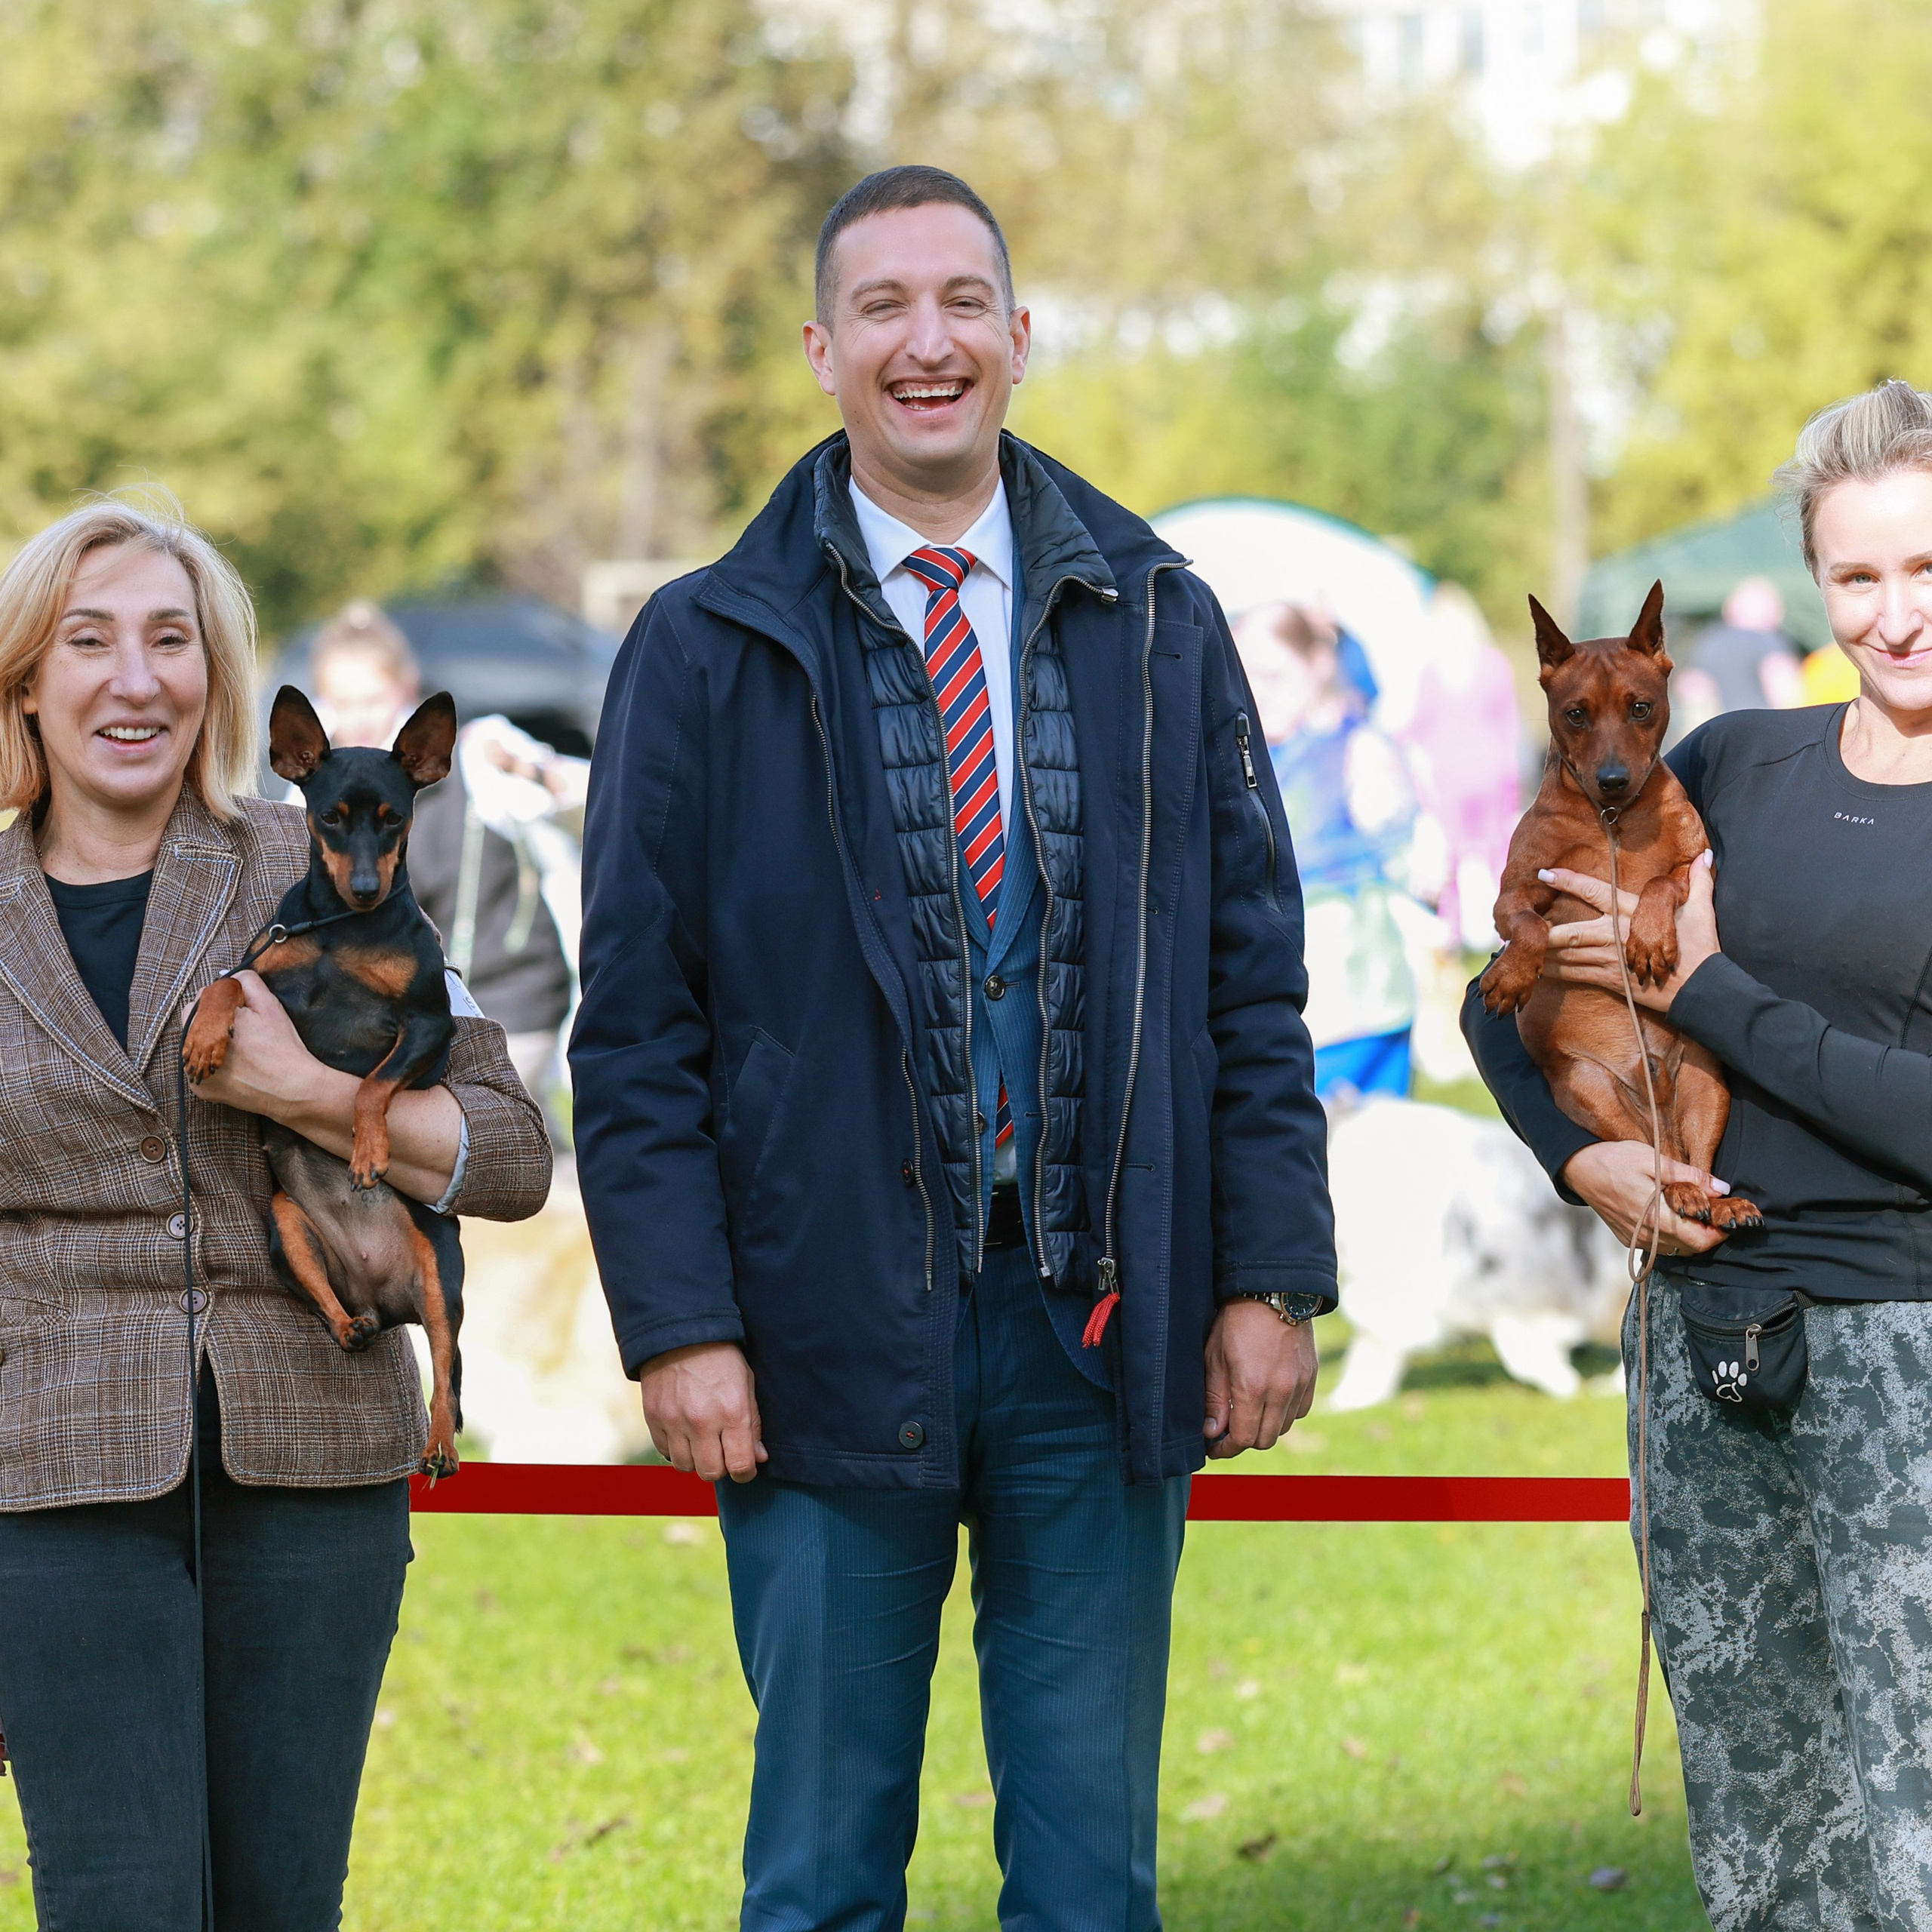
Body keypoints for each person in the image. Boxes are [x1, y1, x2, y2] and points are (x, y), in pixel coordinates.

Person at [570, 165, 1336, 1930]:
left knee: (1088, 1883)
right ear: (825, 350)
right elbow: (635, 1030)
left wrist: (1268, 1277)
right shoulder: (702, 644)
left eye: (961, 302)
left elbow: (1248, 982)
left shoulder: (1156, 614)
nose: (930, 342)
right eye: (886, 308)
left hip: (1098, 1334)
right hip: (820, 1334)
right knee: (824, 1872)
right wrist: (681, 1322)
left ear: (1015, 332)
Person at [0, 497, 550, 1927]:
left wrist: (311, 1091)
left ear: (216, 675)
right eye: (91, 641)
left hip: (312, 1466)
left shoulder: (313, 863)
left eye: (171, 640)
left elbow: (510, 1154)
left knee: (280, 1902)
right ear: (27, 680)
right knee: (118, 1901)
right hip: (49, 1472)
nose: (136, 679)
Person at [1463, 377, 1932, 1930]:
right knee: (1757, 1832)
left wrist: (1712, 990)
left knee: (1913, 1826)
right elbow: (1498, 994)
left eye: (1924, 569)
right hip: (1710, 1350)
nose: (1891, 614)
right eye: (1856, 575)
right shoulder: (1724, 763)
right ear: (1812, 583)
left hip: (1906, 1360)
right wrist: (1569, 1159)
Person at [309, 603, 580, 1128]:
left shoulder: (476, 755)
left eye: (372, 697)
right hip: (399, 1010)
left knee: (472, 1142)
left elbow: (585, 793)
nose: (358, 714)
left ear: (406, 687)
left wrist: (529, 766)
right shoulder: (320, 788)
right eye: (343, 701)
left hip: (507, 996)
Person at [1235, 598, 1419, 1099]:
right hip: (1274, 1011)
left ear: (1317, 665)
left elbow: (1413, 860)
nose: (1257, 692)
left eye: (1274, 675)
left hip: (1356, 1012)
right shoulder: (1248, 754)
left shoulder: (1359, 751)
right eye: (1245, 674)